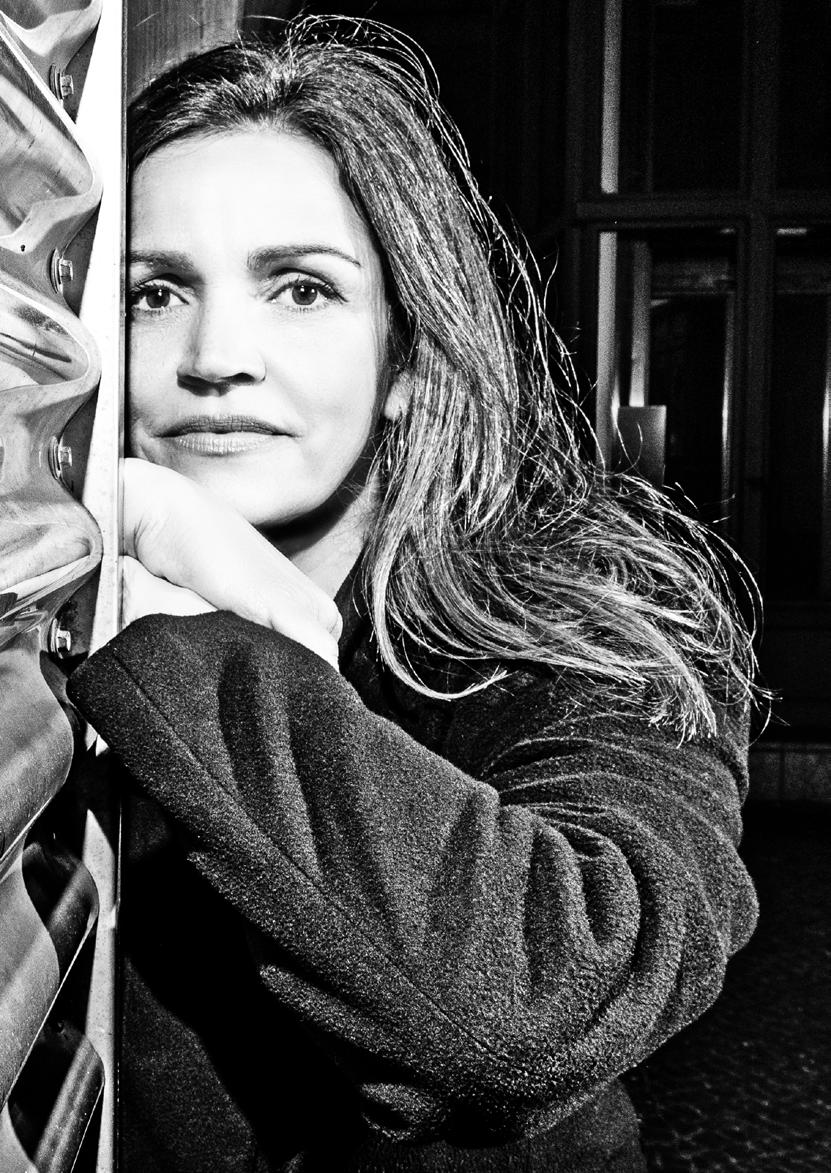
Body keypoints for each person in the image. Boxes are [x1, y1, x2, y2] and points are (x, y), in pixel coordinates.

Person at [67, 16, 759, 1173]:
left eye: (301, 290)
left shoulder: (582, 632)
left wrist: (202, 642)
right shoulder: (42, 610)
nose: (217, 355)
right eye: (154, 293)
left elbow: (535, 1005)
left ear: (403, 358)